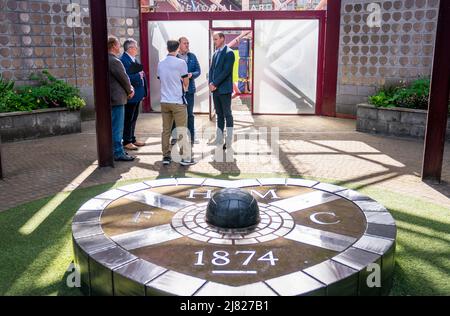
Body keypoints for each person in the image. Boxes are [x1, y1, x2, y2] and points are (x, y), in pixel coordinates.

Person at [157, 40, 196, 166]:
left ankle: (166, 157)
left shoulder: (160, 63)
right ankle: (185, 158)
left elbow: (160, 78)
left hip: (164, 101)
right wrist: (184, 89)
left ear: (167, 48)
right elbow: (186, 82)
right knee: (181, 130)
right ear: (178, 48)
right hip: (178, 102)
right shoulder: (181, 63)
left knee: (166, 130)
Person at [108, 36, 135, 161]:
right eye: (118, 44)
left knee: (115, 126)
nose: (119, 47)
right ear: (113, 45)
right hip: (117, 99)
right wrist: (130, 90)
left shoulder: (107, 59)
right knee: (117, 128)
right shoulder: (114, 61)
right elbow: (123, 78)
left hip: (112, 98)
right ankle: (118, 152)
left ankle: (115, 151)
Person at [171, 37, 201, 145]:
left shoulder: (192, 56)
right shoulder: (174, 56)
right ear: (179, 45)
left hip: (189, 90)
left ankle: (192, 136)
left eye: (188, 43)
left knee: (189, 114)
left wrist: (191, 75)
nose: (187, 45)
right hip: (177, 91)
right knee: (176, 114)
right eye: (185, 43)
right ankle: (174, 137)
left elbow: (198, 71)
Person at [208, 32, 235, 150]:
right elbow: (211, 70)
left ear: (222, 39)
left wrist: (215, 83)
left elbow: (226, 71)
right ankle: (219, 139)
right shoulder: (215, 53)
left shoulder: (229, 53)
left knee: (227, 114)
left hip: (224, 89)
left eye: (216, 39)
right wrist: (210, 83)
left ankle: (228, 141)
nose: (214, 41)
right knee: (219, 115)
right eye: (213, 39)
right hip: (215, 90)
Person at [120, 39, 148, 151]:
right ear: (130, 48)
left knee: (134, 118)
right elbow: (125, 78)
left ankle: (132, 138)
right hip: (131, 95)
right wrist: (138, 75)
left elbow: (139, 75)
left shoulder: (133, 59)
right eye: (136, 47)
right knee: (128, 118)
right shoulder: (123, 60)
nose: (137, 49)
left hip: (137, 94)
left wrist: (144, 92)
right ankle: (126, 141)